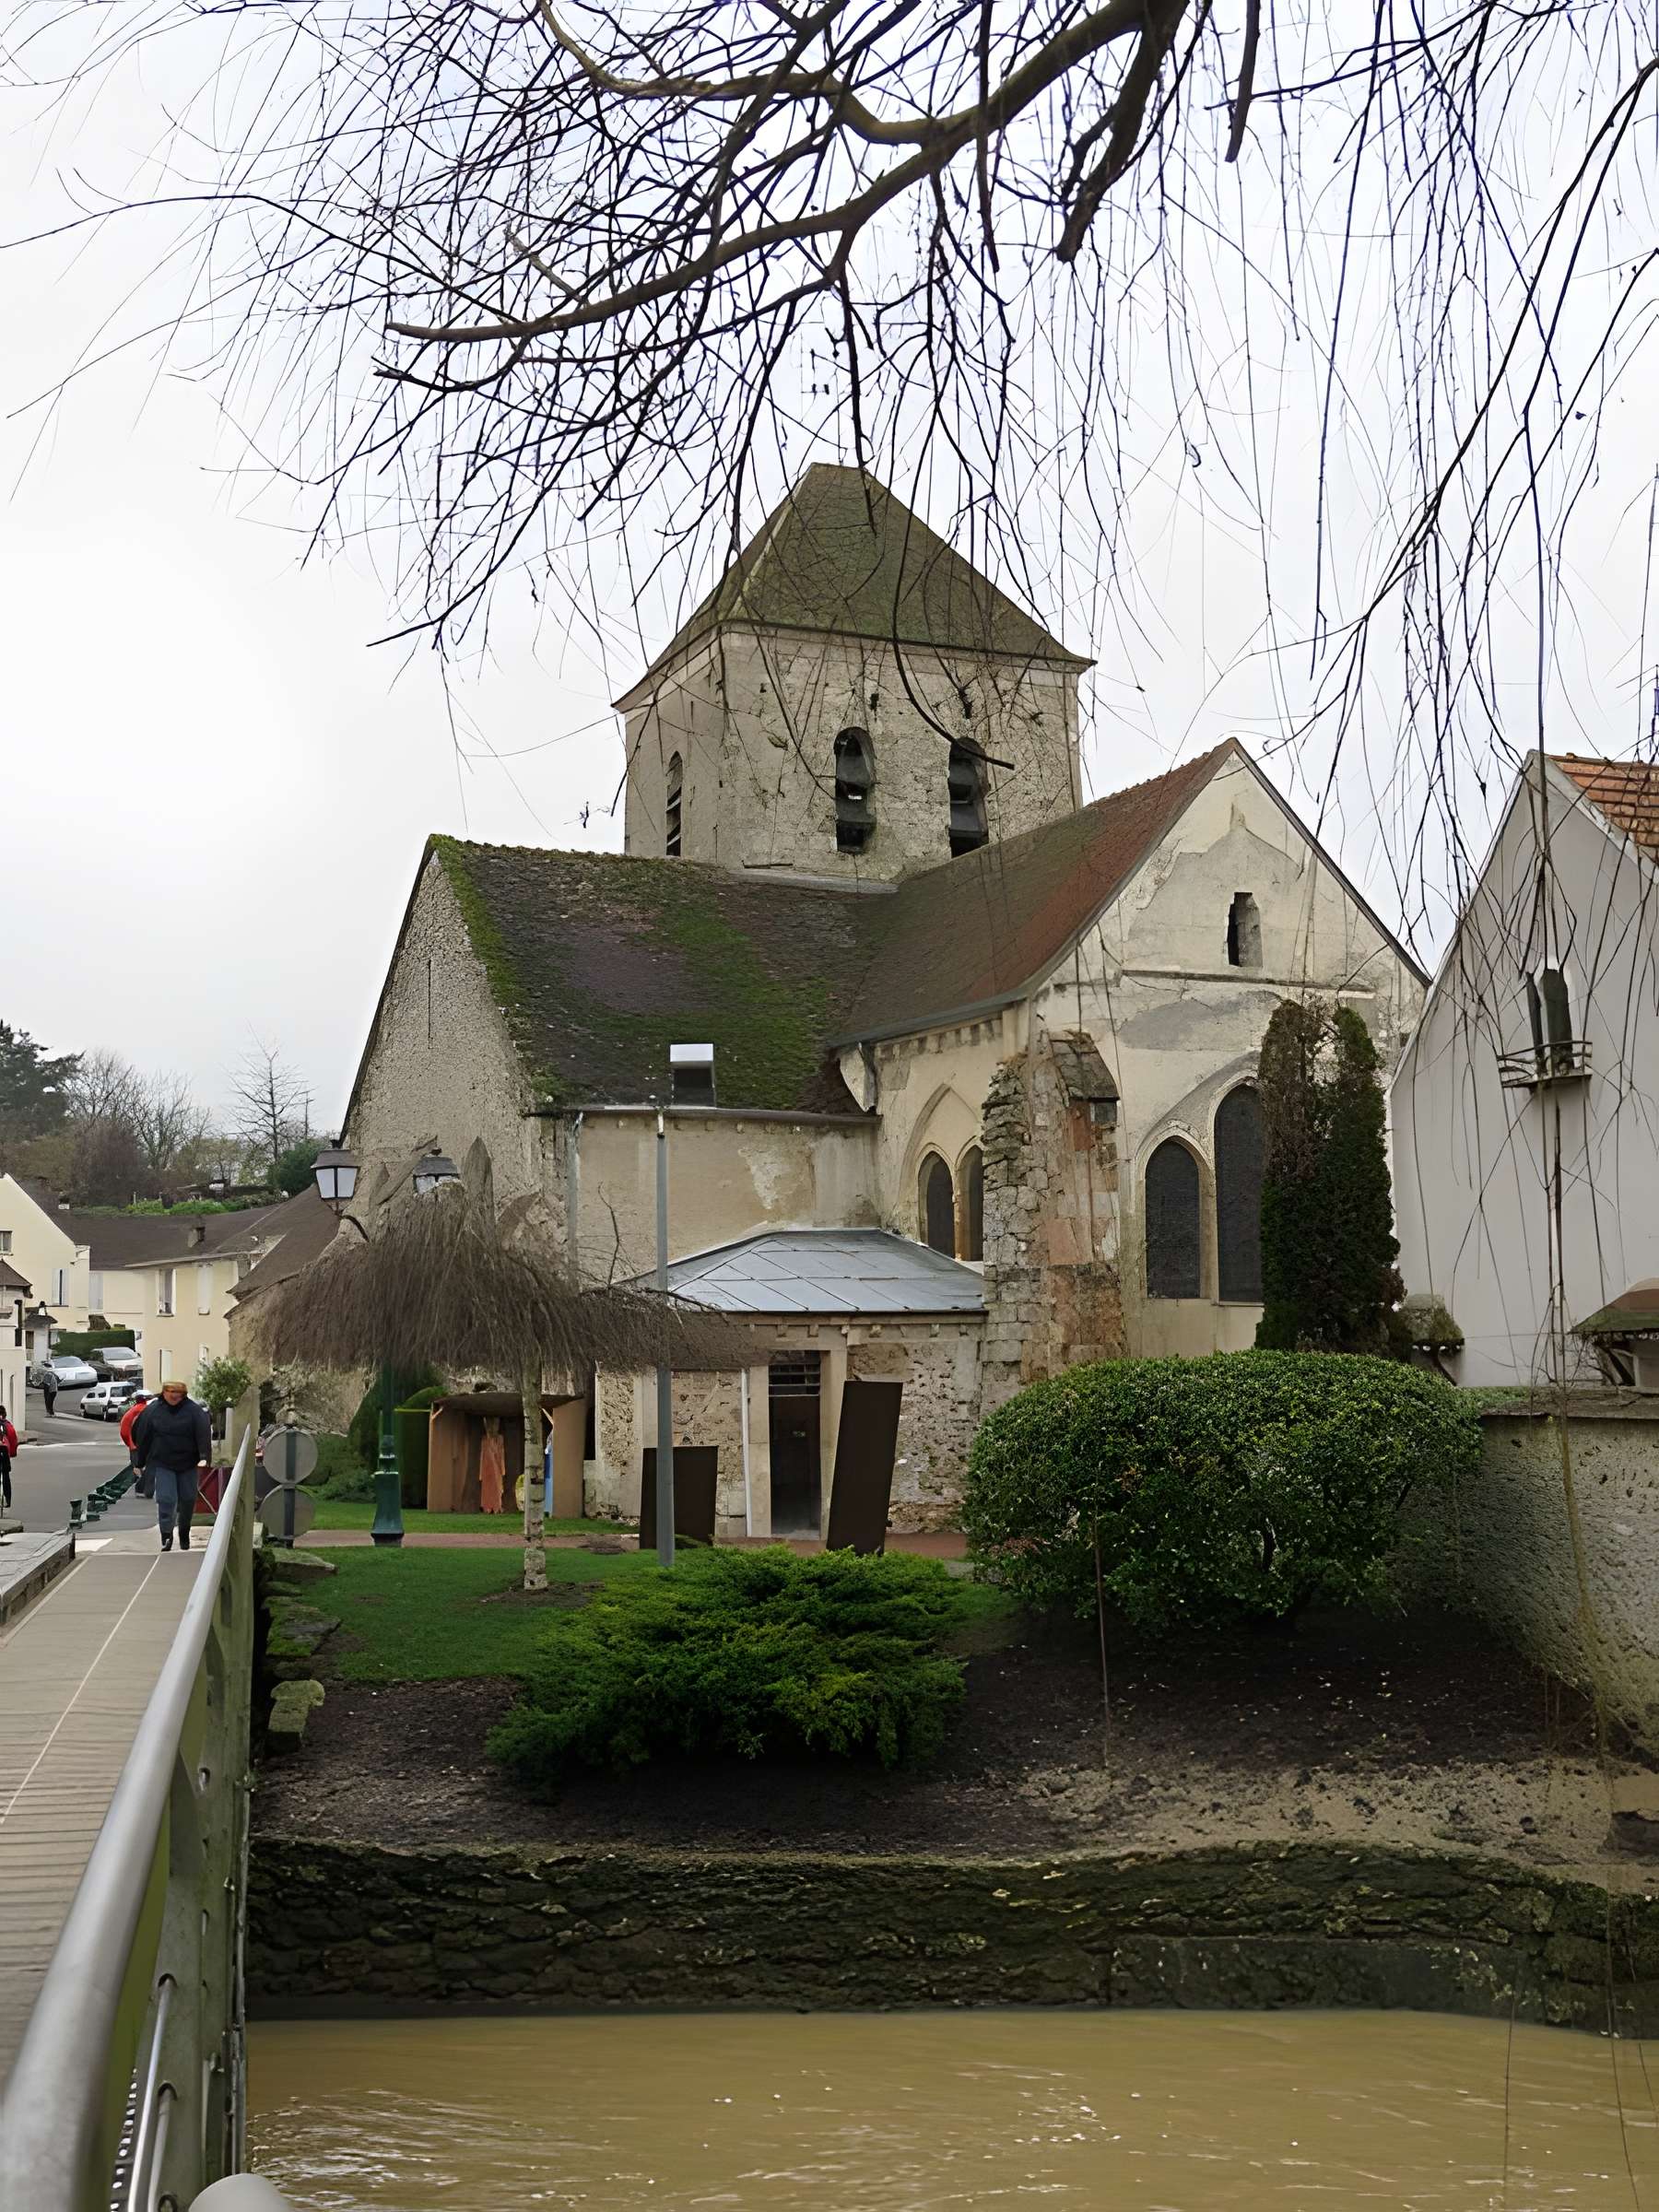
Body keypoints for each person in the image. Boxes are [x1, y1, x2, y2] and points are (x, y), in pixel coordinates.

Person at [132, 1381, 210, 1552]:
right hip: (163, 1462)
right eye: (171, 1392)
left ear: (184, 1395)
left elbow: (203, 1434)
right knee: (166, 1499)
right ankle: (166, 1535)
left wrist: (204, 1457)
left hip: (188, 1462)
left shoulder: (194, 1411)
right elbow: (142, 1435)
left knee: (188, 1499)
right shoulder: (153, 1411)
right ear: (164, 1393)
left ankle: (184, 1532)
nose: (174, 1396)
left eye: (178, 1393)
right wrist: (140, 1462)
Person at [0, 1406, 16, 1513]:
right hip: (4, 1451)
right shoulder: (8, 1425)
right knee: (6, 1475)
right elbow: (14, 1440)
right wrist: (13, 1454)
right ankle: (8, 1499)